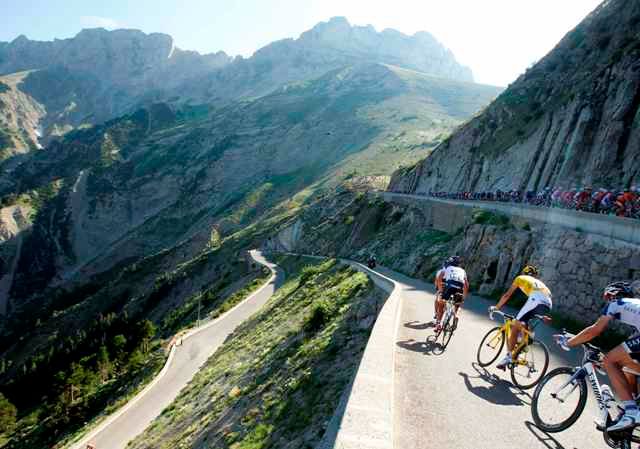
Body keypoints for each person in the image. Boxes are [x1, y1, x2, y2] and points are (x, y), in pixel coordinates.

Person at [555, 282, 640, 432]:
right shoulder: (634, 308)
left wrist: (569, 342)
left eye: (607, 297)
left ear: (613, 295)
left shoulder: (616, 304)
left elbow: (594, 331)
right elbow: (628, 350)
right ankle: (628, 415)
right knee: (629, 369)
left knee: (609, 361)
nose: (607, 300)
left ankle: (631, 412)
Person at [489, 264, 552, 370]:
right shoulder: (538, 283)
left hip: (536, 300)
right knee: (525, 323)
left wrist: (496, 307)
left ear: (524, 273)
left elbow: (507, 295)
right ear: (535, 276)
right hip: (548, 304)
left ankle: (508, 357)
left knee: (515, 325)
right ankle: (523, 343)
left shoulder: (520, 278)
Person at [435, 256, 469, 331]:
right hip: (459, 288)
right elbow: (466, 285)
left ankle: (438, 324)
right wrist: (463, 297)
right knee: (457, 305)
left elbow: (439, 278)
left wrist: (440, 290)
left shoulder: (448, 268)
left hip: (450, 287)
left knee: (441, 304)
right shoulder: (463, 271)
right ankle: (456, 315)